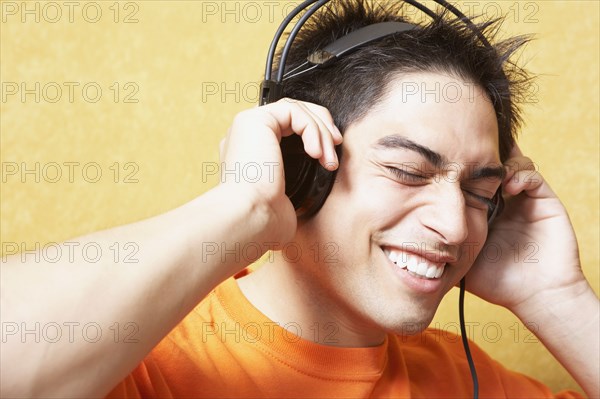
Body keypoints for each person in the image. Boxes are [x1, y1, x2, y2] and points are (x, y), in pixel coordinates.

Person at [1, 1, 598, 398]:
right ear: (303, 165)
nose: (454, 225)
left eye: (478, 193)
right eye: (408, 171)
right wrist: (242, 209)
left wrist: (557, 298)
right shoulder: (147, 356)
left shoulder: (461, 379)